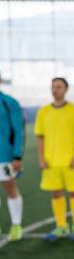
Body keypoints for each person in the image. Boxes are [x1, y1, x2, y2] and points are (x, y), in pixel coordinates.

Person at [35, 78, 74, 242]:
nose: (55, 90)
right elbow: (40, 137)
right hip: (51, 162)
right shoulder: (43, 112)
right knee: (56, 194)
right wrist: (41, 158)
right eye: (53, 87)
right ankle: (61, 226)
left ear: (66, 89)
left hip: (70, 162)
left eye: (59, 87)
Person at [0, 76, 25, 242]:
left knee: (10, 189)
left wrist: (17, 156)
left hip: (5, 157)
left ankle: (16, 225)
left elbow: (18, 130)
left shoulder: (9, 102)